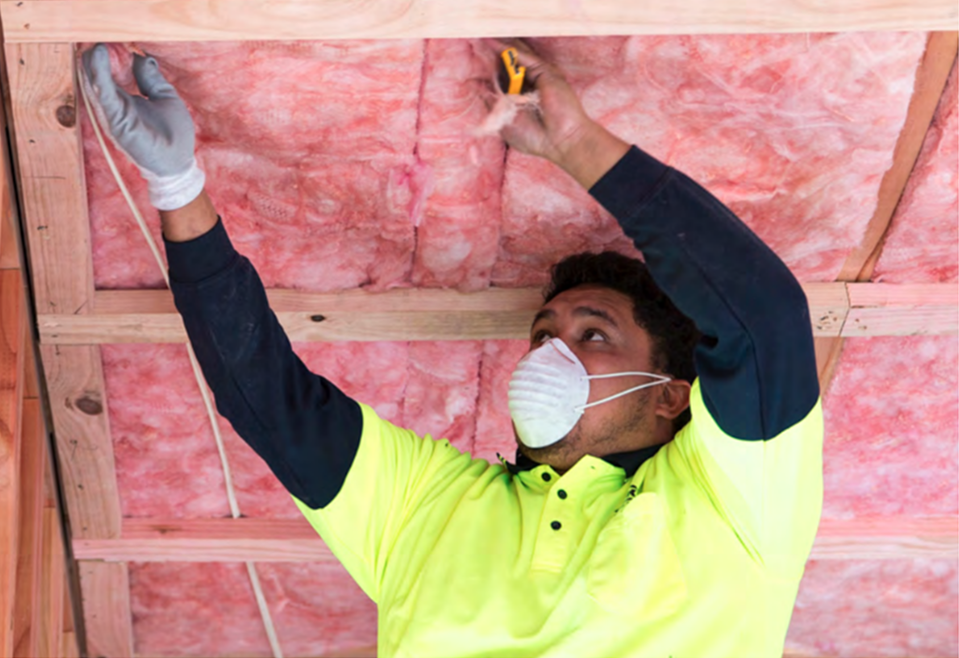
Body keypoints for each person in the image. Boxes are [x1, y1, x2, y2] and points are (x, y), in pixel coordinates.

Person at [82, 40, 823, 658]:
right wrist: (178, 185)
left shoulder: (730, 496)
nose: (549, 356)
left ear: (670, 392)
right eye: (542, 336)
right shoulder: (429, 508)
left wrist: (578, 145)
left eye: (593, 334)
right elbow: (270, 397)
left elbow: (764, 319)